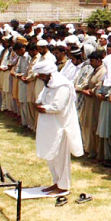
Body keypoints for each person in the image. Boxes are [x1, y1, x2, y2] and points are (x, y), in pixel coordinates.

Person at [33, 58, 84, 195]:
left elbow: (57, 107)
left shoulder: (62, 85)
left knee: (60, 158)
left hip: (60, 127)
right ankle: (56, 182)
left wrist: (42, 108)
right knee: (51, 156)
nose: (40, 78)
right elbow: (39, 99)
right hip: (48, 126)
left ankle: (63, 186)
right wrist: (40, 105)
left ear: (49, 73)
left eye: (41, 75)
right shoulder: (49, 84)